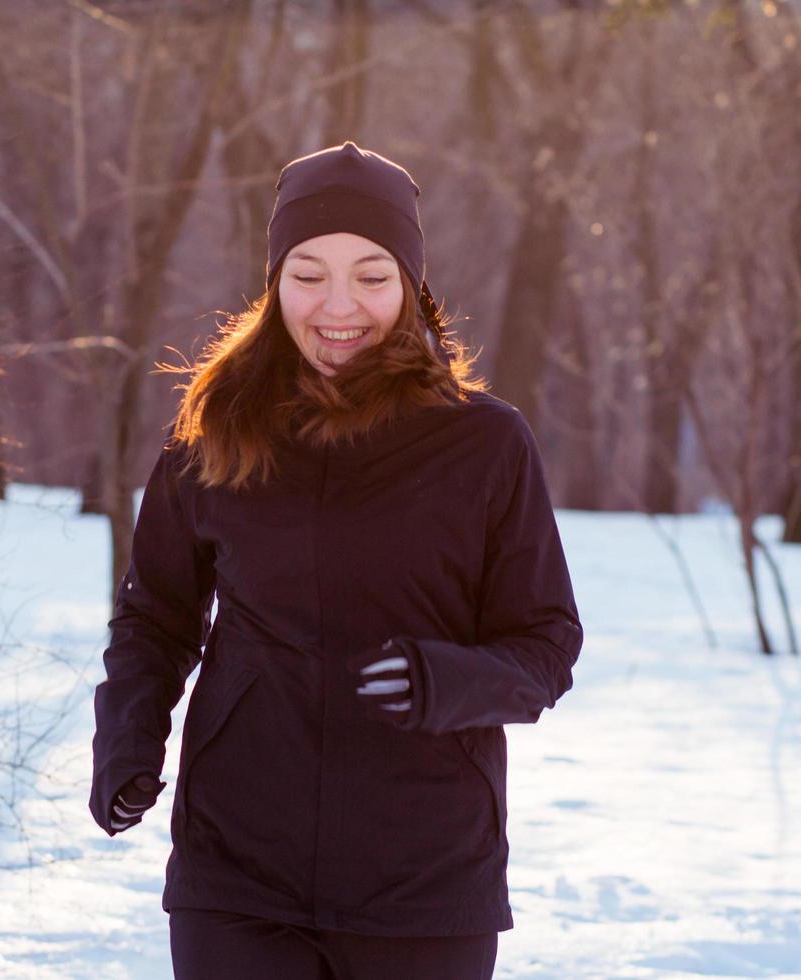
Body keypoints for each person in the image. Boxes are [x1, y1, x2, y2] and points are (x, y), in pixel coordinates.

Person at [90, 141, 583, 980]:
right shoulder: (215, 429)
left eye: (372, 274)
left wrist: (446, 682)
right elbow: (157, 616)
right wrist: (129, 740)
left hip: (424, 877)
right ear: (275, 282)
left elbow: (545, 645)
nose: (338, 304)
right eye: (309, 273)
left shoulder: (484, 443)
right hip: (237, 869)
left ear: (412, 286)